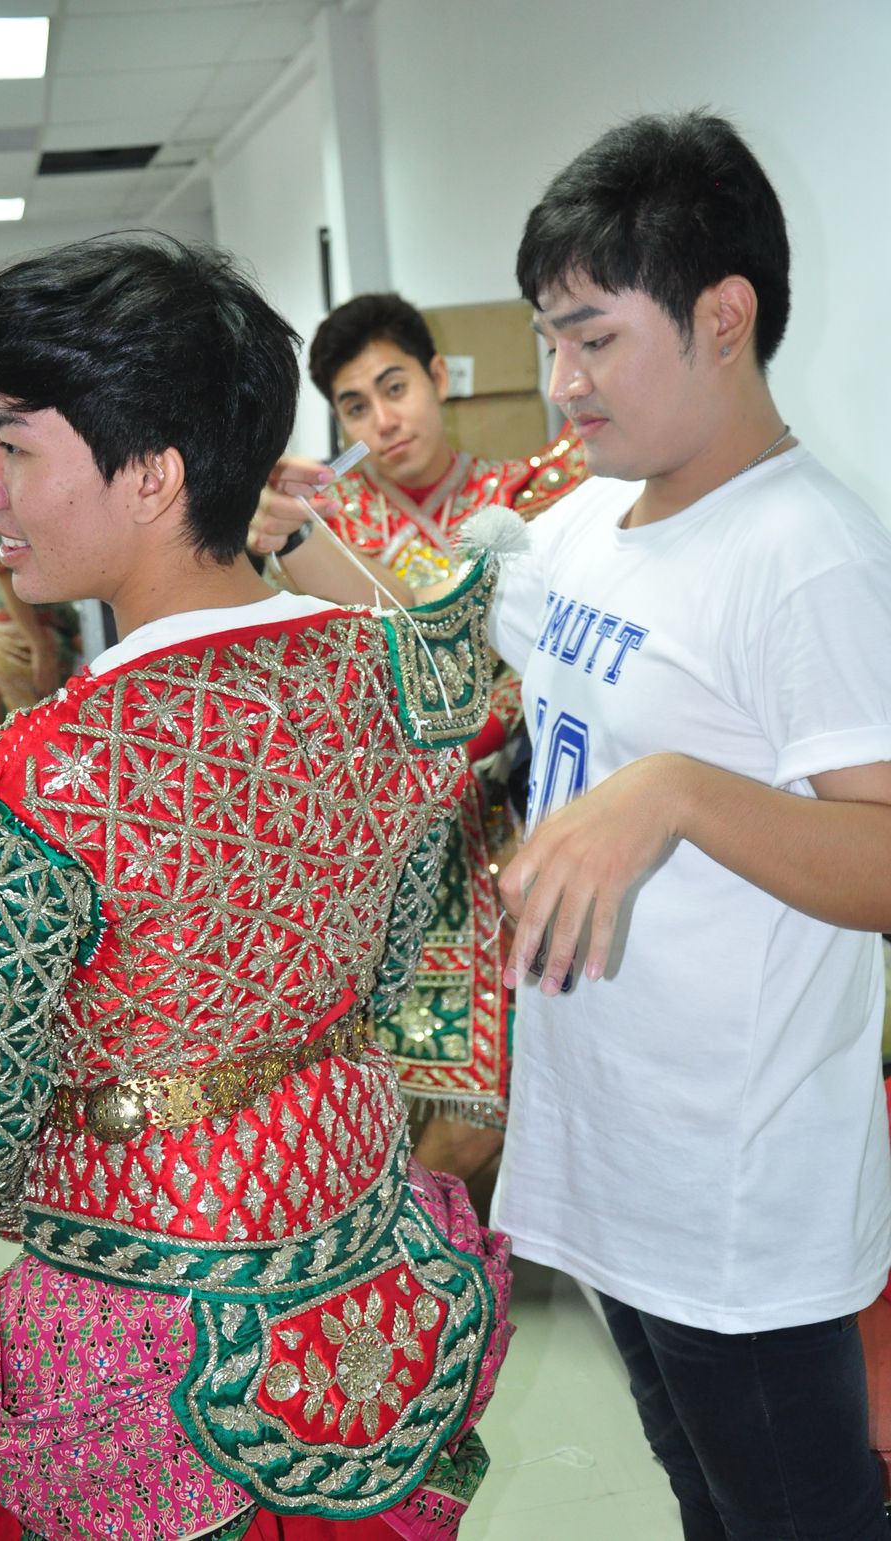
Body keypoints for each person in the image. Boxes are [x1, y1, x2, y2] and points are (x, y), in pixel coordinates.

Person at [0, 234, 513, 1541]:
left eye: (14, 445)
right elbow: (392, 955)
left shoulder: (45, 772)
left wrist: (96, 1187)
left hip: (144, 1335)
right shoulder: (387, 681)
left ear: (152, 472)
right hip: (369, 1260)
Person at [488, 111, 891, 1540]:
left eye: (594, 337)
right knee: (707, 1507)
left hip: (736, 1186)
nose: (563, 381)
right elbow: (478, 662)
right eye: (550, 339)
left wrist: (674, 795)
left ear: (724, 317)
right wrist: (304, 547)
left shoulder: (807, 555)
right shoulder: (593, 522)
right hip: (615, 1147)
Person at [248, 293, 585, 1190]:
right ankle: (402, 1246)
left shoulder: (522, 498)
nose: (383, 420)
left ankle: (423, 1249)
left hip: (500, 831)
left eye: (395, 387)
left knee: (483, 1110)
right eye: (355, 405)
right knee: (370, 1098)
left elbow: (501, 664)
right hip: (376, 852)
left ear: (438, 378)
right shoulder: (322, 519)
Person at [0, 514, 80, 733]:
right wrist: (40, 648)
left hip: (35, 624)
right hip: (21, 629)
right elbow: (4, 572)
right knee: (38, 729)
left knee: (45, 724)